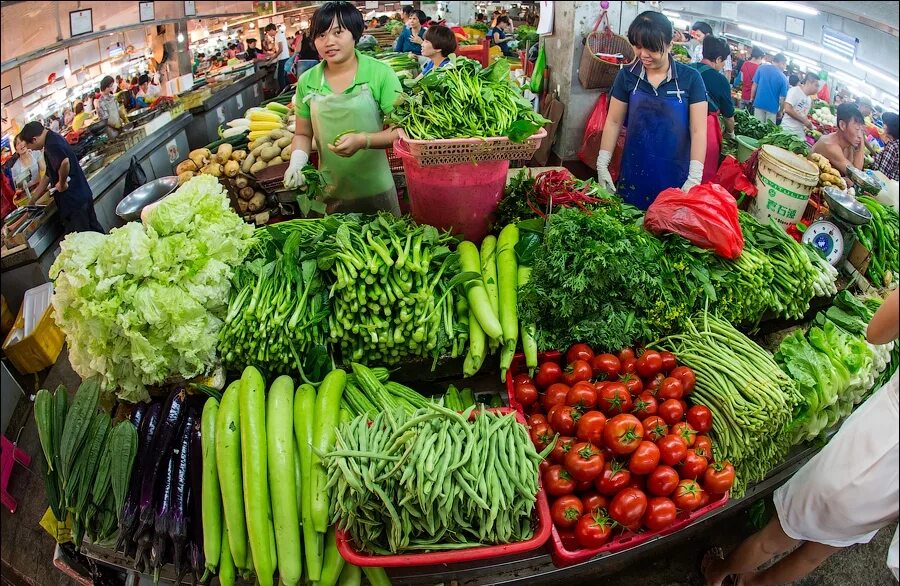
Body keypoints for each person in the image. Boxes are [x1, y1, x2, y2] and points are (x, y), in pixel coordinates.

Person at [703, 287, 899, 586]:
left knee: (776, 536)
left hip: (865, 452)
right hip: (891, 492)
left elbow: (876, 332)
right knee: (815, 554)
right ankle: (752, 583)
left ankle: (717, 573)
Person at [284, 1, 402, 216]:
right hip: (329, 191)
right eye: (321, 35)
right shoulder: (307, 81)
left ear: (355, 34)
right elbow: (302, 133)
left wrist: (363, 140)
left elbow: (400, 130)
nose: (329, 42)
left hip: (376, 190)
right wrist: (297, 162)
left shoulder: (380, 73)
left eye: (338, 32)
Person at [596, 11, 708, 209]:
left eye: (652, 49)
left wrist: (694, 177)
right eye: (638, 46)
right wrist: (602, 163)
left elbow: (699, 130)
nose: (643, 55)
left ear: (669, 45)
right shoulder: (627, 76)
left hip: (675, 176)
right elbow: (613, 121)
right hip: (633, 170)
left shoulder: (691, 79)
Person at [18, 122, 104, 234]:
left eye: (30, 147)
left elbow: (64, 162)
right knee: (95, 232)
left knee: (87, 238)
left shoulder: (51, 144)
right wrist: (34, 198)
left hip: (74, 201)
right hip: (80, 196)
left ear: (34, 139)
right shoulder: (52, 138)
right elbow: (49, 174)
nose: (32, 150)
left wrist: (62, 183)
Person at [689, 36, 735, 183]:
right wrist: (730, 133)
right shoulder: (721, 80)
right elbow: (728, 115)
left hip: (680, 125)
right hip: (705, 131)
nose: (722, 66)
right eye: (723, 62)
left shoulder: (688, 69)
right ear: (718, 59)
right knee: (701, 175)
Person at [811, 103, 866, 177]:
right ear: (842, 125)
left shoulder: (848, 145)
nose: (860, 135)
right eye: (857, 129)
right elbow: (856, 176)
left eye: (862, 131)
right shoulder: (830, 146)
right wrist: (862, 146)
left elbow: (853, 178)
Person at [780, 72, 820, 140]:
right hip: (787, 131)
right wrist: (805, 121)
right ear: (808, 82)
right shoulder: (794, 91)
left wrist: (808, 124)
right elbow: (787, 109)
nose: (817, 89)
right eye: (816, 85)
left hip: (799, 134)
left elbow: (803, 114)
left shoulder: (809, 99)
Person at [751, 53, 788, 124]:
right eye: (784, 65)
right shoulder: (783, 78)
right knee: (768, 132)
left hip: (758, 103)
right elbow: (783, 98)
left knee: (757, 127)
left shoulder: (761, 67)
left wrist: (751, 98)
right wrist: (780, 112)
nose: (784, 67)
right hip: (772, 109)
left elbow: (754, 84)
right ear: (781, 63)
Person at [872, 112, 899, 181]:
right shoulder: (895, 144)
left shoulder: (893, 147)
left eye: (885, 124)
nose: (883, 126)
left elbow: (882, 172)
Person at [739, 47, 765, 112]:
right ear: (759, 57)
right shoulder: (759, 68)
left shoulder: (745, 64)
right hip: (752, 98)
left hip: (743, 95)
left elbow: (741, 79)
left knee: (739, 116)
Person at [265, 23, 291, 91]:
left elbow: (280, 49)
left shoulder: (278, 35)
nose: (268, 34)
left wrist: (271, 60)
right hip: (285, 58)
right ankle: (289, 91)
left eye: (268, 32)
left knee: (281, 78)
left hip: (283, 60)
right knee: (285, 77)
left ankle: (284, 92)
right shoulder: (279, 34)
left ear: (271, 30)